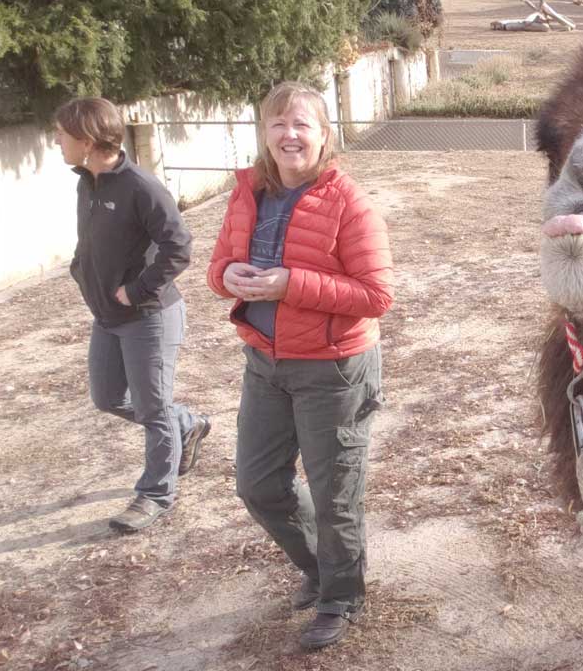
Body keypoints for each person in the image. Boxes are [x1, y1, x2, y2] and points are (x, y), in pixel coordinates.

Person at [207, 81, 394, 650]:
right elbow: (219, 265)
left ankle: (341, 595)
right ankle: (321, 568)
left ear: (323, 136)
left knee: (336, 490)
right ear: (264, 134)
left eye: (302, 125)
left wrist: (292, 284)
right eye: (278, 124)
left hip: (333, 369)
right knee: (258, 485)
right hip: (264, 362)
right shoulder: (247, 194)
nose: (289, 135)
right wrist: (227, 279)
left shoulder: (349, 203)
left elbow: (376, 295)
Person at [55, 97, 210, 533]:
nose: (57, 142)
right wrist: (80, 269)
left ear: (86, 140)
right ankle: (188, 423)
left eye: (62, 135)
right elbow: (91, 240)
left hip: (149, 316)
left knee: (152, 407)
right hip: (106, 316)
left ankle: (156, 494)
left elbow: (179, 246)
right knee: (108, 398)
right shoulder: (87, 182)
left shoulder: (140, 186)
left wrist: (139, 288)